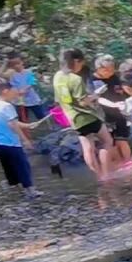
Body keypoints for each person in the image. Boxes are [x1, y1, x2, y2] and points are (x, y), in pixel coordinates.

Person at [52, 48, 114, 179]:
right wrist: (95, 95)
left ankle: (99, 176)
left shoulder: (57, 77)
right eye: (81, 63)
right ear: (76, 61)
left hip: (73, 118)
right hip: (87, 117)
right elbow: (83, 102)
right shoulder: (75, 79)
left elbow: (58, 100)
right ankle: (106, 175)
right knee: (107, 141)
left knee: (88, 148)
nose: (81, 67)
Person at [0, 80, 41, 196]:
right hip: (10, 142)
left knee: (8, 165)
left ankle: (13, 185)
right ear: (5, 91)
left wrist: (28, 125)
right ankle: (30, 190)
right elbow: (12, 125)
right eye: (14, 91)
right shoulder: (7, 106)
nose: (16, 93)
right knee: (23, 165)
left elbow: (12, 122)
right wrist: (25, 140)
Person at [90, 54, 132, 165]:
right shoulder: (91, 81)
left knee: (122, 139)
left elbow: (126, 90)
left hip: (120, 113)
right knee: (109, 142)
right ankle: (118, 163)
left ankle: (128, 162)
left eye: (113, 69)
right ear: (99, 69)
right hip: (103, 115)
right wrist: (113, 105)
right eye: (108, 70)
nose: (111, 72)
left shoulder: (115, 77)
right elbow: (97, 99)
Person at [6, 52, 48, 123]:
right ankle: (25, 131)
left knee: (41, 115)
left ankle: (48, 126)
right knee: (22, 119)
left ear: (22, 63)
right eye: (14, 65)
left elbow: (32, 82)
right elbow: (13, 86)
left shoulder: (28, 72)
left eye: (18, 63)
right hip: (20, 101)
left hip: (32, 98)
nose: (17, 66)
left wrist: (25, 89)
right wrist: (17, 92)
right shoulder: (12, 75)